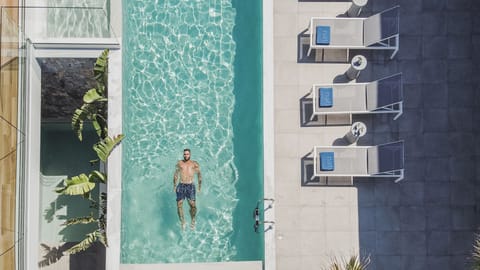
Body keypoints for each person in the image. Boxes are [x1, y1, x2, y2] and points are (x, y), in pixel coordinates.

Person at [173, 148, 202, 230]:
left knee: (193, 205)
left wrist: (199, 186)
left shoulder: (194, 164)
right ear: (183, 154)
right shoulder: (179, 163)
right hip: (181, 185)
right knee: (179, 205)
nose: (186, 155)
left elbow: (199, 175)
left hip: (190, 186)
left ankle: (193, 220)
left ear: (190, 154)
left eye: (187, 154)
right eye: (184, 154)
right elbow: (176, 174)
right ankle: (182, 221)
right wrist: (174, 185)